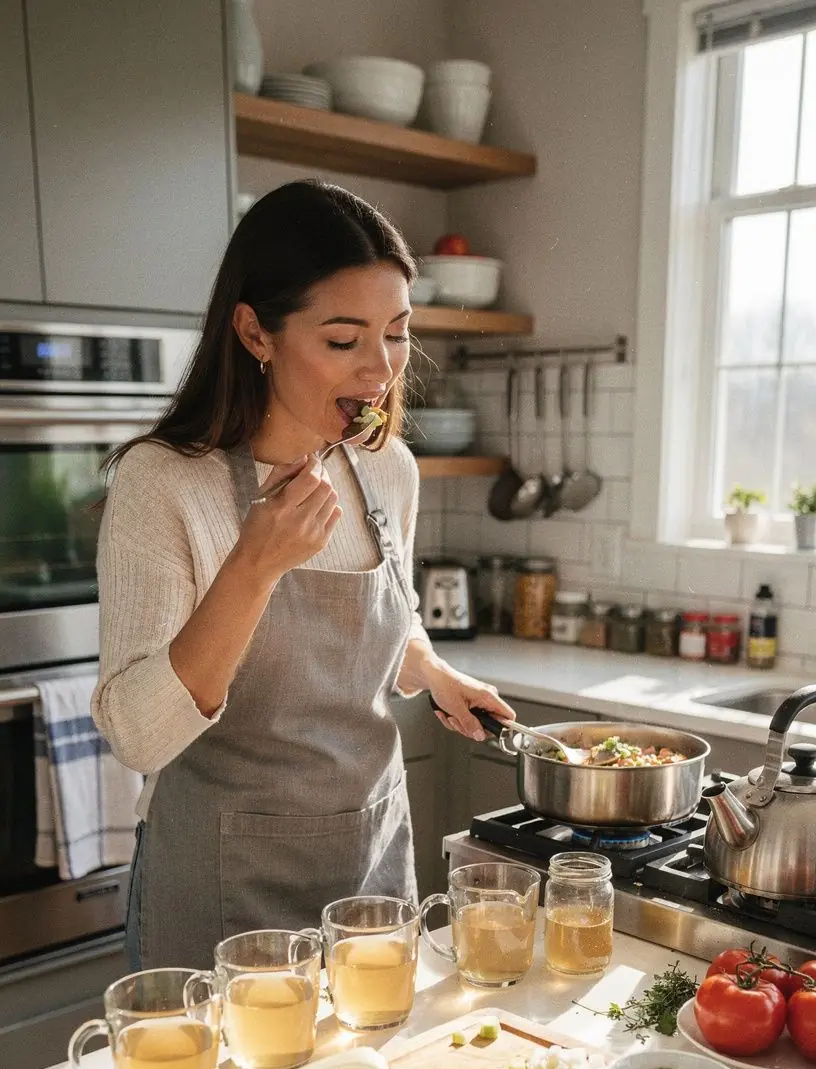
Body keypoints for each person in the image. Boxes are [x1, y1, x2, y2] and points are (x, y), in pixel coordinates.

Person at [93, 180, 515, 970]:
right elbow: (136, 734)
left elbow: (389, 622)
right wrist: (253, 565)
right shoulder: (163, 485)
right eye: (343, 339)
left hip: (370, 864)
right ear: (256, 331)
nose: (379, 371)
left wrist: (432, 669)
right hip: (225, 885)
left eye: (396, 334)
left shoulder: (387, 470)